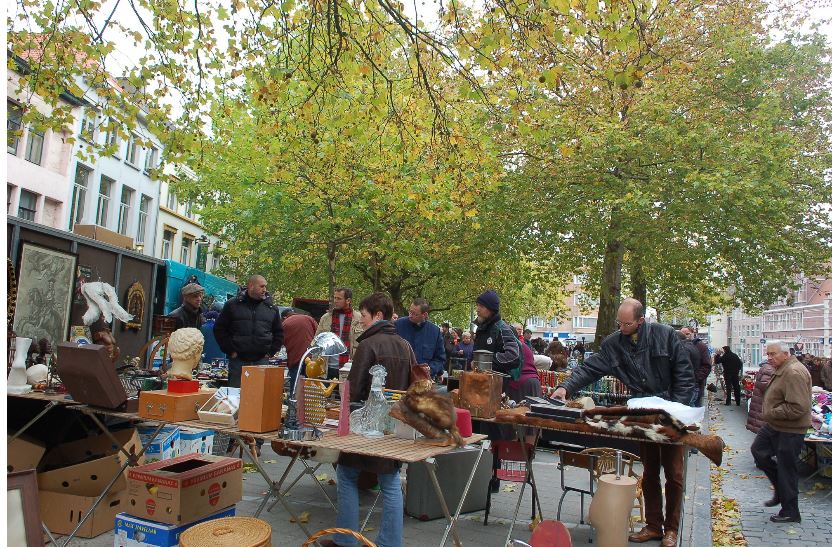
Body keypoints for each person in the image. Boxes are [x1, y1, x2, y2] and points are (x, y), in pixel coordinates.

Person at [552, 298, 693, 547]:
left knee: (674, 473)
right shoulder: (614, 344)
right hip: (643, 412)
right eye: (620, 323)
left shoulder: (665, 335)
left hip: (672, 411)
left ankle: (671, 529)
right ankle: (653, 526)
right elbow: (589, 369)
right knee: (649, 471)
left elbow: (684, 374)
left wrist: (677, 413)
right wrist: (565, 387)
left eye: (627, 324)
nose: (622, 327)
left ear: (641, 320)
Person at [328, 293, 414, 547]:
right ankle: (390, 543)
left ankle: (345, 541)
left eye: (364, 315)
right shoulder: (405, 345)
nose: (360, 321)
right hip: (394, 426)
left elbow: (354, 390)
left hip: (365, 427)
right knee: (390, 483)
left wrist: (343, 414)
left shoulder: (368, 345)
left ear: (378, 315)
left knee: (346, 475)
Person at [750, 341, 812, 524]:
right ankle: (781, 489)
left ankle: (790, 511)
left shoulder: (793, 372)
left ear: (785, 354)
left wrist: (771, 412)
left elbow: (798, 407)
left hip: (789, 429)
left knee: (787, 469)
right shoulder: (783, 368)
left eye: (773, 354)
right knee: (758, 451)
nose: (769, 358)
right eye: (768, 354)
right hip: (776, 425)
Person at [213, 275, 284, 388]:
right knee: (236, 394)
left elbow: (279, 332)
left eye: (265, 286)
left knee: (258, 394)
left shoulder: (271, 308)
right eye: (261, 286)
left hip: (261, 360)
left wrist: (271, 352)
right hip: (238, 361)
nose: (265, 289)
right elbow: (219, 329)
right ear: (251, 286)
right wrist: (230, 350)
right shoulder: (232, 305)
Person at [316, 287, 364, 379]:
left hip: (348, 369)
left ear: (348, 300)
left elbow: (363, 346)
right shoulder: (326, 318)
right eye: (334, 298)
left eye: (339, 298)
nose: (335, 301)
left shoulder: (359, 318)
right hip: (326, 369)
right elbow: (317, 343)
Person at [394, 298, 446, 380]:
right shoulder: (398, 325)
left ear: (424, 315)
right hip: (400, 378)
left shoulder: (435, 331)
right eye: (410, 311)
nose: (410, 315)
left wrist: (430, 369)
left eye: (414, 314)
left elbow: (440, 359)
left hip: (423, 380)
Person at [282, 309, 318, 394]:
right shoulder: (309, 318)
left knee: (295, 384)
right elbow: (318, 333)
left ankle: (293, 399)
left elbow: (280, 340)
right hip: (311, 357)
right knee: (309, 383)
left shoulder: (285, 323)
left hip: (295, 358)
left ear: (284, 317)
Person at [680, 327, 712, 406]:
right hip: (684, 386)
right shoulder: (679, 345)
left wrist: (695, 378)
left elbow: (707, 366)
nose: (685, 336)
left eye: (687, 334)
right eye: (682, 334)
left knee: (694, 407)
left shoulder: (701, 346)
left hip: (695, 385)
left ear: (693, 334)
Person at [746, 360, 776, 434]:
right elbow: (766, 386)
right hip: (763, 407)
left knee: (763, 435)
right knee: (765, 434)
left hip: (761, 407)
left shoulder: (767, 367)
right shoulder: (770, 369)